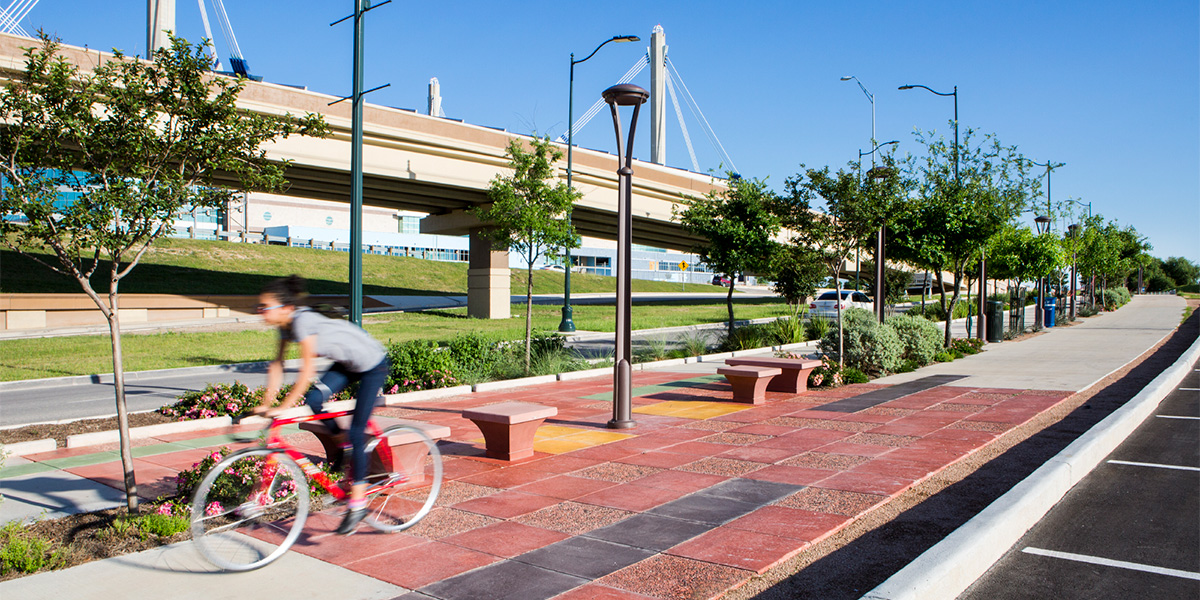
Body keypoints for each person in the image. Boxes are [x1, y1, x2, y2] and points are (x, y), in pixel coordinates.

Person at [252, 275, 389, 535]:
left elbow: (306, 371)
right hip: (346, 364)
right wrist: (266, 403)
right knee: (315, 400)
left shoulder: (302, 321)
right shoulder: (285, 325)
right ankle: (342, 446)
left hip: (372, 364)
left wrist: (283, 406)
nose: (260, 313)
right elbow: (277, 364)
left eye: (264, 308)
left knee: (358, 432)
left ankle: (358, 504)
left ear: (285, 308)